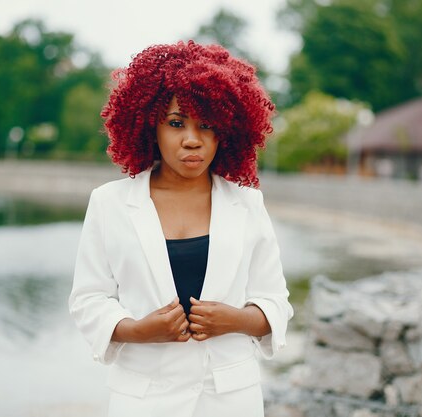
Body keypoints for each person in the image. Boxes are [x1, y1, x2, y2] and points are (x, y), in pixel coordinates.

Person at [69, 40, 293, 417]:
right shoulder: (109, 203)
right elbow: (88, 300)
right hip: (143, 399)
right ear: (148, 125)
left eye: (207, 125)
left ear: (226, 130)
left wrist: (235, 320)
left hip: (231, 400)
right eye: (176, 123)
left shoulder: (248, 204)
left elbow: (276, 303)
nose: (192, 139)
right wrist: (137, 330)